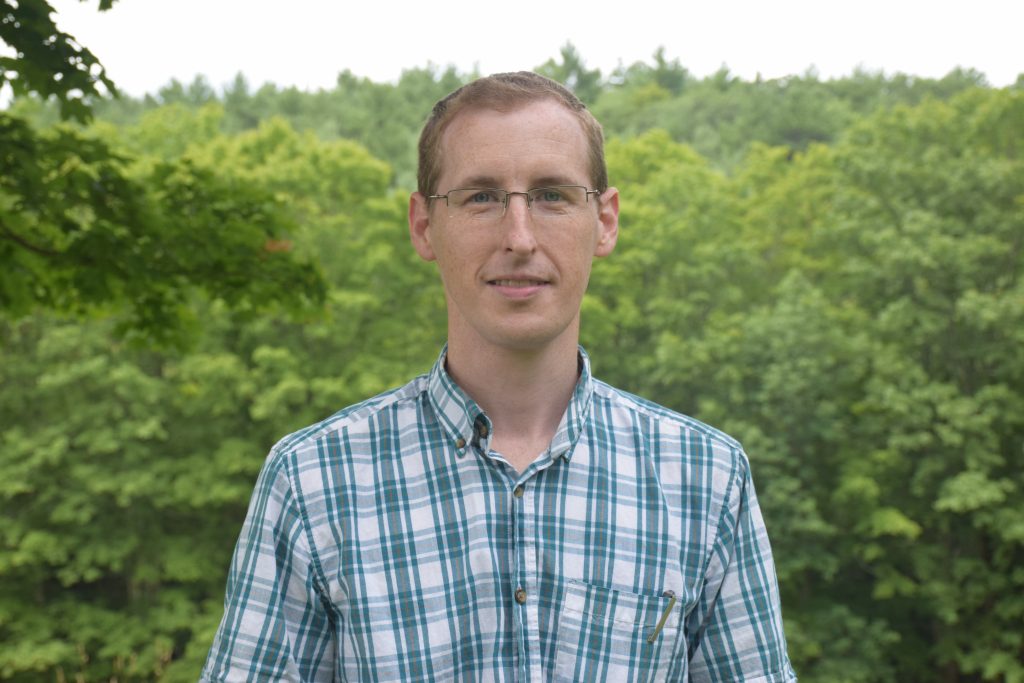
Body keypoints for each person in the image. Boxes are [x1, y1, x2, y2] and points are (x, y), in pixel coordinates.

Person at [201, 71, 796, 682]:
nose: (519, 238)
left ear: (606, 221)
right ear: (424, 225)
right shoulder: (313, 483)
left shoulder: (704, 477)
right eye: (481, 197)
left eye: (552, 196)